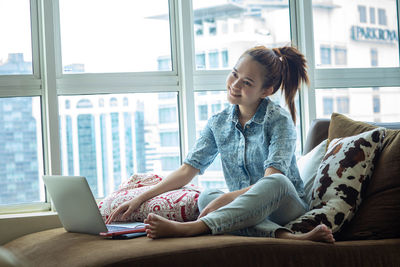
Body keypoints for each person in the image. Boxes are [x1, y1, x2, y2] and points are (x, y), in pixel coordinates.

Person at [106, 45, 335, 243]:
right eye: (234, 74)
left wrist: (227, 199)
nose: (234, 85)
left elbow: (271, 179)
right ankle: (288, 238)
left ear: (266, 91)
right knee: (207, 196)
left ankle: (193, 228)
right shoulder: (219, 123)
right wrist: (140, 198)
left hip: (283, 206)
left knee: (276, 181)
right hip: (244, 209)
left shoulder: (279, 120)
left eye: (246, 82)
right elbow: (187, 171)